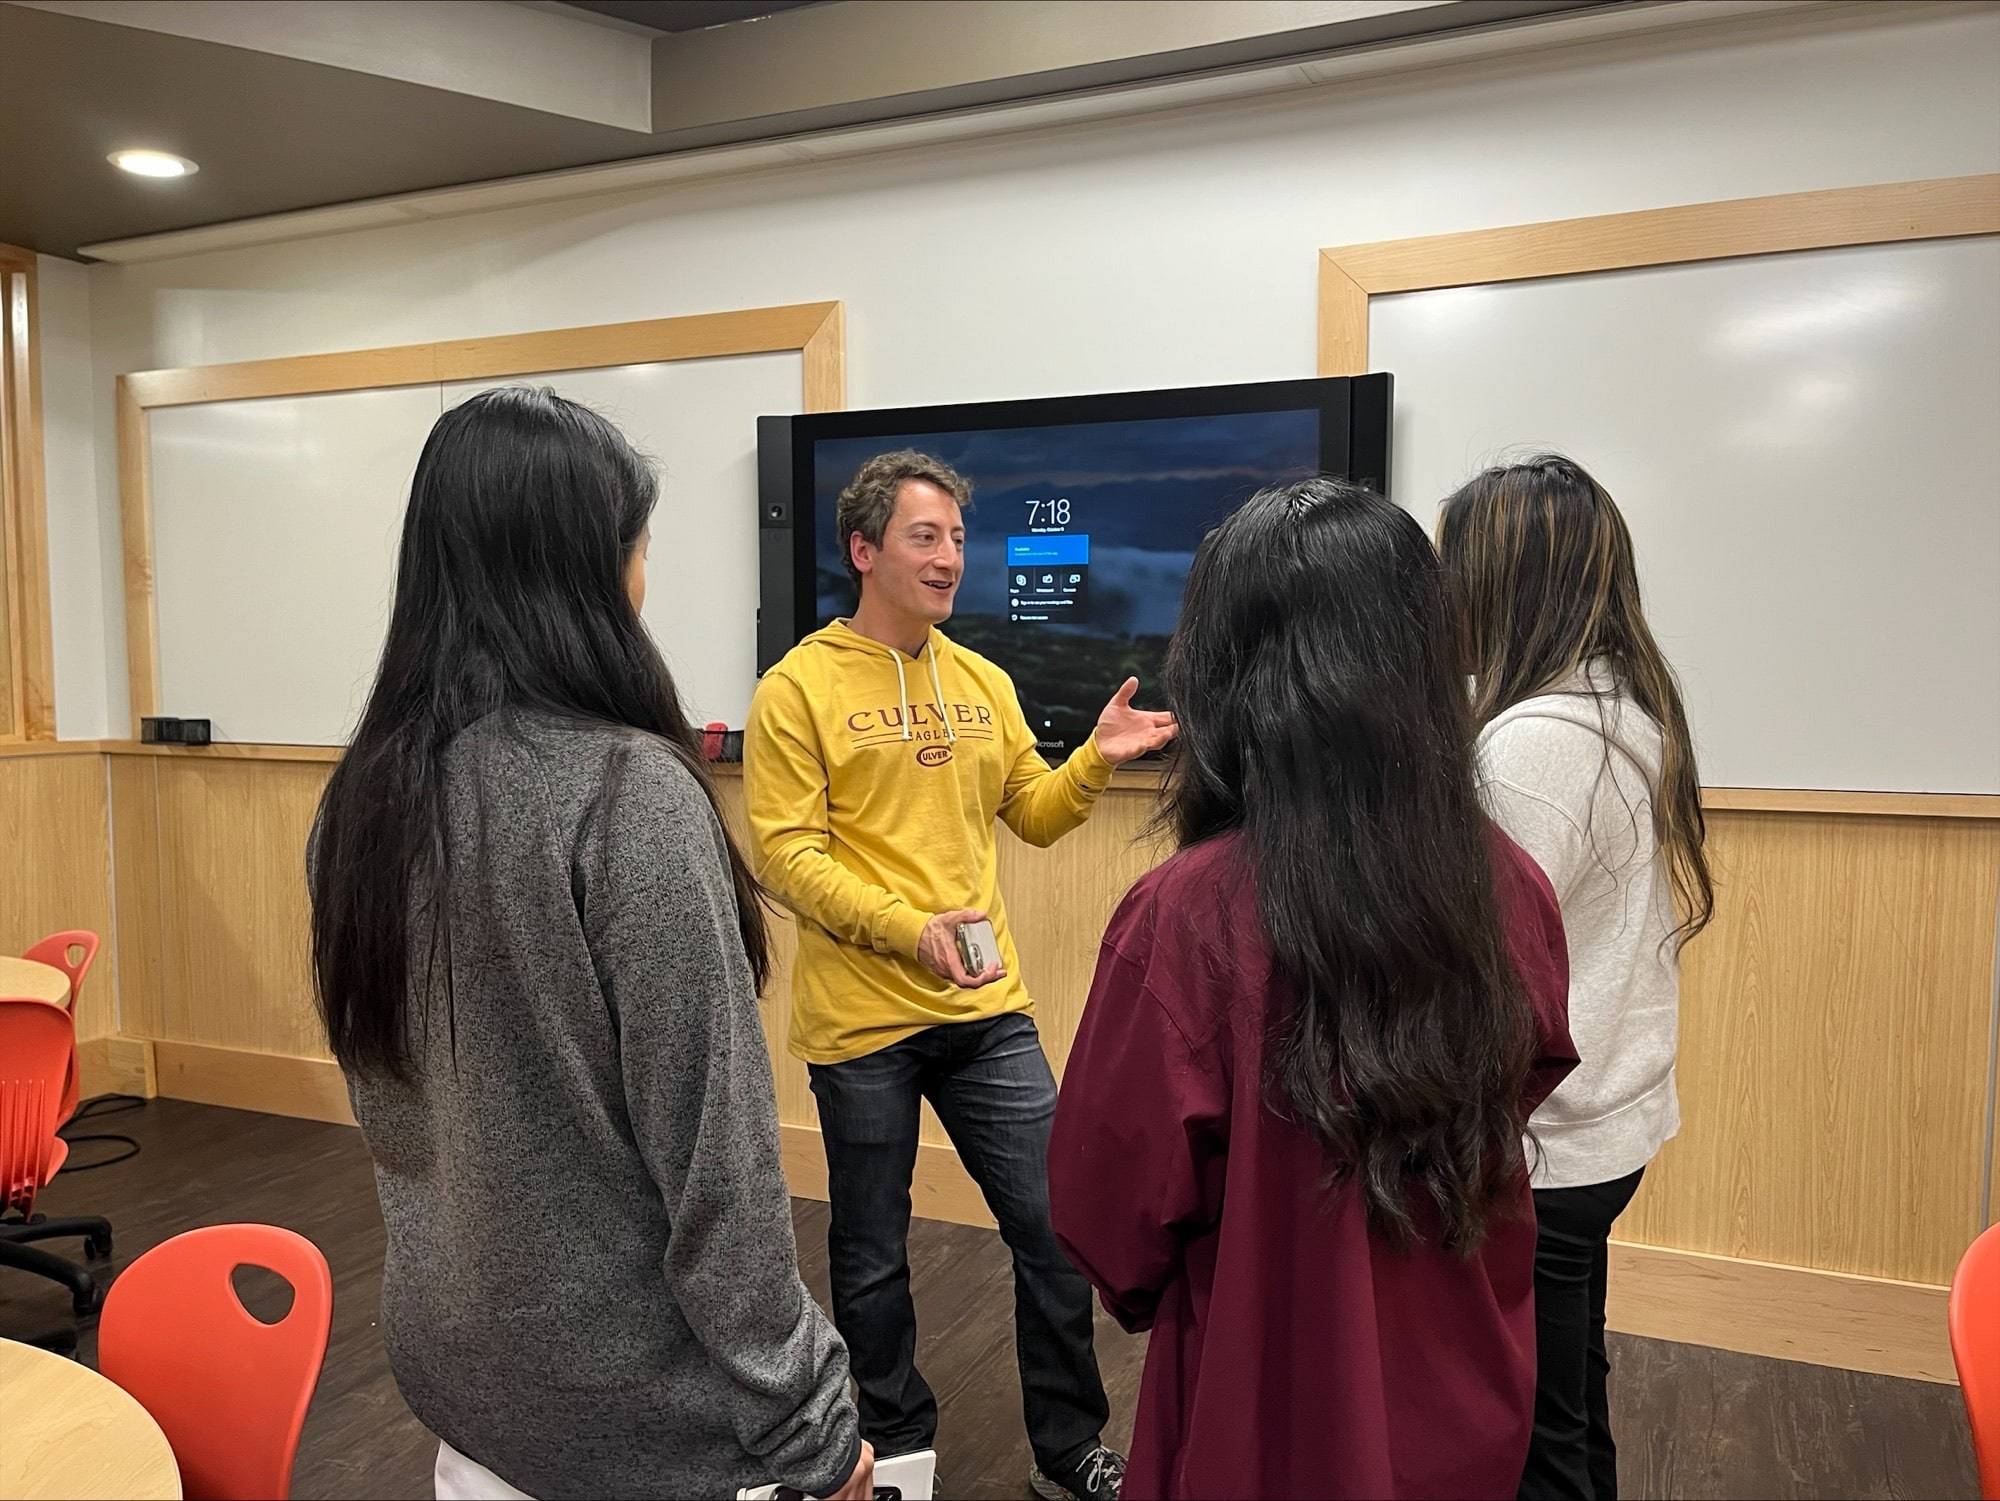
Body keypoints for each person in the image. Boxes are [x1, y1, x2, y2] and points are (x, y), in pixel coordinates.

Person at [307, 387, 871, 1501]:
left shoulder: (361, 800)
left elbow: (398, 1122)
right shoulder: (625, 793)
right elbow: (717, 1169)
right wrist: (812, 1424)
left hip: (464, 1398)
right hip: (649, 1425)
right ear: (588, 572)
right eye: (639, 549)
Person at [1047, 477, 1578, 1501]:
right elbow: (1530, 1069)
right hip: (1467, 1387)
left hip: (1261, 1407)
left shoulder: (1183, 917)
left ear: (1223, 671)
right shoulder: (1507, 882)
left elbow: (1107, 1212)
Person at [744, 449, 1176, 1501]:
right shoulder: (795, 688)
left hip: (986, 1009)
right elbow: (786, 856)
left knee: (1052, 1223)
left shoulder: (979, 677)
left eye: (957, 538)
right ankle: (894, 1445)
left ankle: (1068, 1449)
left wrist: (1094, 761)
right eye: (924, 537)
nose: (949, 559)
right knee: (873, 1251)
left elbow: (1030, 810)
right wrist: (906, 929)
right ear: (864, 550)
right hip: (862, 1022)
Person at [1436, 454, 1714, 1501]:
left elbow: (1477, 961)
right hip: (1606, 1124)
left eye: (1454, 567)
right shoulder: (1619, 708)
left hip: (1550, 1143)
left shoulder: (1529, 746)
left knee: (1534, 1432)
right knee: (1568, 1388)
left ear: (1506, 584)